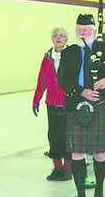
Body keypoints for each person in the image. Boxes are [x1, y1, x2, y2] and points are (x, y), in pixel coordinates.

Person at [59, 14, 105, 197]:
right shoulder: (69, 52)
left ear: (94, 31)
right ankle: (80, 193)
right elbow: (62, 80)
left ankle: (99, 190)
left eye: (86, 30)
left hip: (101, 104)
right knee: (76, 153)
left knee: (101, 153)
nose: (83, 33)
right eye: (80, 30)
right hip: (77, 105)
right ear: (75, 31)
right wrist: (81, 91)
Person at [32, 27, 71, 181]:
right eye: (55, 35)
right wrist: (36, 99)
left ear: (66, 39)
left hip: (68, 102)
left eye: (62, 36)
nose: (58, 38)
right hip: (52, 103)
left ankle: (68, 168)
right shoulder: (48, 57)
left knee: (68, 137)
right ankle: (57, 167)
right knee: (54, 136)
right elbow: (42, 80)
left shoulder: (71, 55)